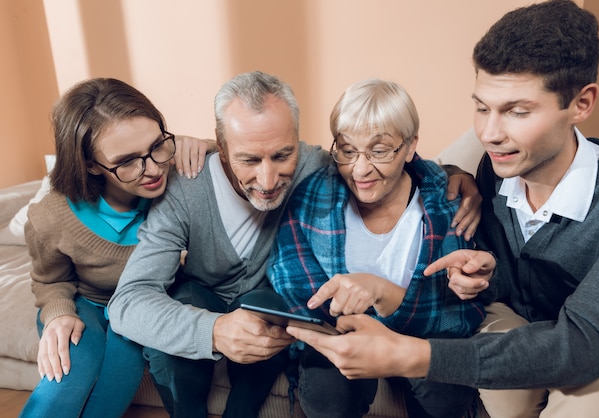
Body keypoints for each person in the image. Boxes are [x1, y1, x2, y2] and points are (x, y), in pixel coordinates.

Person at [285, 2, 599, 417]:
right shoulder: (496, 170)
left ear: (582, 103)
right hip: (524, 325)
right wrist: (486, 275)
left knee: (590, 405)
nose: (489, 133)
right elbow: (424, 173)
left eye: (518, 111)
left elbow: (582, 346)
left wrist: (411, 355)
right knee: (507, 399)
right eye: (482, 108)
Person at [107, 70, 483, 418]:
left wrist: (456, 175)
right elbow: (127, 303)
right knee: (185, 332)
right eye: (249, 159)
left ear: (298, 142)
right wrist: (214, 330)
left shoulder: (319, 166)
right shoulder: (184, 191)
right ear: (220, 146)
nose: (268, 179)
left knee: (273, 310)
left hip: (273, 308)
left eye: (282, 155)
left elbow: (388, 160)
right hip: (206, 303)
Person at [267, 78, 485, 418]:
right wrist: (343, 329)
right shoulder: (311, 197)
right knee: (327, 394)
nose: (360, 169)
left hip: (421, 337)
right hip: (340, 331)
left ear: (411, 146)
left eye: (379, 150)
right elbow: (293, 283)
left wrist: (384, 297)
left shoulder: (446, 201)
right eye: (348, 150)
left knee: (447, 394)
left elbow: (454, 315)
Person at [19, 77, 208, 418]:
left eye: (157, 145)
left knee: (111, 391)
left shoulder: (174, 176)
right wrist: (59, 314)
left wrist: (202, 145)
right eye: (127, 161)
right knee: (65, 380)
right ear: (90, 164)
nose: (152, 170)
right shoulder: (51, 216)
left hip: (142, 307)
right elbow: (49, 281)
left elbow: (246, 156)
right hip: (85, 302)